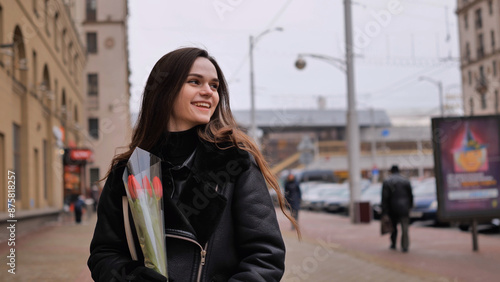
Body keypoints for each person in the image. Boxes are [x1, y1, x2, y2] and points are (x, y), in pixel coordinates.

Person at [87, 47, 297, 282]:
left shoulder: (233, 162)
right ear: (164, 90)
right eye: (195, 82)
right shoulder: (131, 169)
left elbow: (266, 257)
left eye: (214, 86)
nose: (208, 92)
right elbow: (104, 254)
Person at [381, 165, 414, 253]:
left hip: (392, 208)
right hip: (404, 208)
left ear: (391, 171)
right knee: (405, 228)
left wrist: (384, 211)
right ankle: (405, 246)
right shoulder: (406, 180)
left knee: (393, 227)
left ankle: (393, 243)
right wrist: (410, 206)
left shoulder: (387, 181)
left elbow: (384, 198)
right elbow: (410, 195)